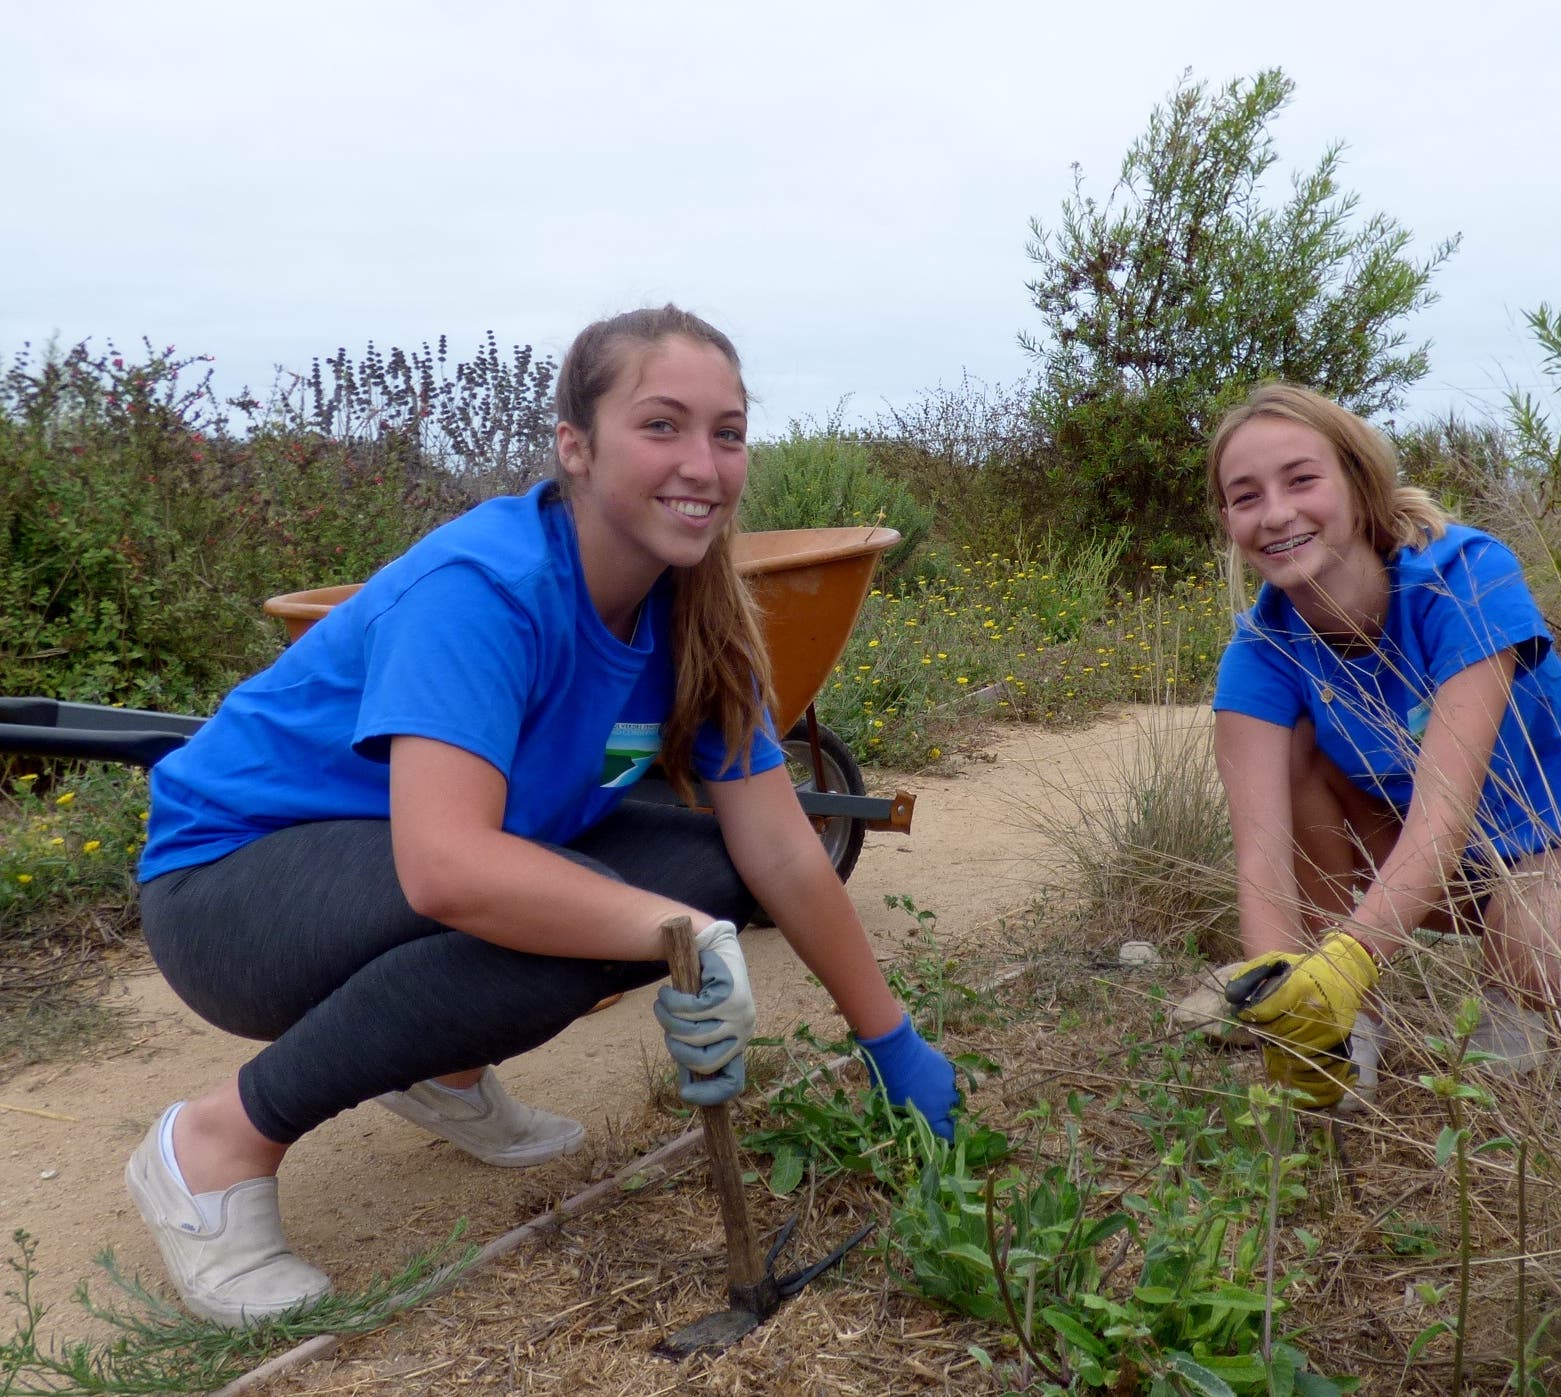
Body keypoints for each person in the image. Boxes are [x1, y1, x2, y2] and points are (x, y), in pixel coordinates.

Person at [127, 306, 959, 1327]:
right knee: (609, 914)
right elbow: (445, 869)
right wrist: (677, 937)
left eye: (727, 432)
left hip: (377, 873)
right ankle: (214, 1142)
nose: (702, 461)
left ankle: (441, 1065)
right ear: (575, 446)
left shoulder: (698, 613)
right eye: (662, 425)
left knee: (710, 872)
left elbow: (783, 846)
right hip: (231, 891)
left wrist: (892, 1043)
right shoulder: (487, 586)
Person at [1206, 383, 1561, 1109]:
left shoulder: (1466, 575)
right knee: (1289, 757)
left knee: (1537, 952)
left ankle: (1519, 1003)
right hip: (1434, 871)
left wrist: (1348, 957)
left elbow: (1443, 816)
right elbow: (1260, 857)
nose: (1277, 513)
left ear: (1357, 481)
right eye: (1246, 496)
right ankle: (1351, 1033)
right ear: (1228, 519)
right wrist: (1284, 998)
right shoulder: (1258, 651)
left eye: (1302, 480)